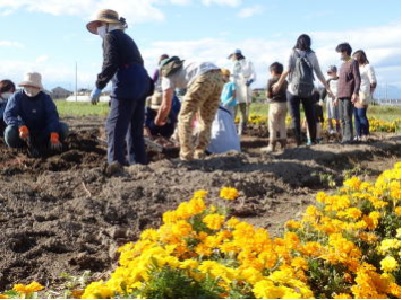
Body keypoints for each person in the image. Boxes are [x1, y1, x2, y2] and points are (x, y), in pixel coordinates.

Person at [86, 9, 150, 167]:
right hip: (142, 81)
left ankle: (116, 163)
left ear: (107, 24)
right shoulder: (128, 39)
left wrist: (99, 85)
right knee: (134, 127)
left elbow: (110, 63)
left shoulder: (110, 37)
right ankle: (139, 163)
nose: (99, 29)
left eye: (99, 25)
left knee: (115, 126)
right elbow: (139, 62)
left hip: (126, 82)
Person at [155, 58, 224, 161]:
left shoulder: (166, 75)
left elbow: (166, 105)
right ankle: (200, 152)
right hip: (218, 75)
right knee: (206, 119)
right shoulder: (184, 65)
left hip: (203, 76)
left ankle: (186, 155)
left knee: (185, 116)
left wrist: (159, 119)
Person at [273, 34, 329, 146]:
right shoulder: (312, 55)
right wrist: (327, 87)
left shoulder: (292, 52)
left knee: (295, 117)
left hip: (293, 89)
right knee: (311, 116)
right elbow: (318, 72)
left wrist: (279, 83)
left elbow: (287, 70)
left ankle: (297, 141)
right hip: (309, 90)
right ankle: (312, 140)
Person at [3, 72, 68, 157]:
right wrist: (20, 125)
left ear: (39, 88)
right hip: (23, 134)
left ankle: (50, 145)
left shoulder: (46, 99)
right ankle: (19, 149)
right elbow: (8, 115)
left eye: (33, 87)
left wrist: (54, 134)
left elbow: (52, 116)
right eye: (28, 86)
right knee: (9, 131)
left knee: (63, 128)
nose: (31, 89)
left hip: (42, 131)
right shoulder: (16, 98)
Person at [207, 69, 240, 154]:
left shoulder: (232, 84)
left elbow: (234, 95)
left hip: (229, 106)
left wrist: (227, 102)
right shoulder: (222, 85)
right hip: (221, 106)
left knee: (228, 122)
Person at [335, 42, 361, 144]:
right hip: (341, 94)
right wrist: (336, 97)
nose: (339, 55)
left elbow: (357, 79)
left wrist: (355, 92)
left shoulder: (353, 62)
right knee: (341, 117)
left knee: (347, 116)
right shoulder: (342, 65)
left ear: (345, 52)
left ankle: (349, 138)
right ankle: (344, 137)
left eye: (340, 52)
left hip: (348, 94)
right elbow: (340, 82)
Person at [228, 49, 256, 134]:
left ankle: (242, 129)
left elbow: (253, 73)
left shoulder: (248, 63)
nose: (232, 57)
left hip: (244, 87)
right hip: (234, 88)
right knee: (233, 110)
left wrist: (250, 80)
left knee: (244, 110)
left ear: (237, 55)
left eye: (233, 55)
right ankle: (231, 129)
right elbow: (229, 76)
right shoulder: (231, 64)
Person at [352, 50, 376, 142]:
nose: (353, 59)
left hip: (363, 94)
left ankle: (365, 135)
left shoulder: (368, 67)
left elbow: (373, 82)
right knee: (355, 115)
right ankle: (358, 135)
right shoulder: (355, 67)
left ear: (360, 57)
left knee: (361, 114)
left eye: (355, 57)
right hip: (355, 93)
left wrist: (369, 93)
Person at [265, 62, 288, 152]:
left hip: (274, 104)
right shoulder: (285, 81)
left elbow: (268, 95)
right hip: (284, 104)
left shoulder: (270, 81)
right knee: (282, 125)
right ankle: (283, 146)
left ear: (273, 71)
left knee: (273, 126)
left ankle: (272, 146)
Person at [325, 65, 341, 135]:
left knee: (337, 115)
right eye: (327, 72)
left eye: (329, 72)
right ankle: (330, 130)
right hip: (329, 99)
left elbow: (340, 90)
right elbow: (325, 90)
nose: (328, 74)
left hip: (337, 99)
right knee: (329, 115)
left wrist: (336, 98)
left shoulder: (339, 80)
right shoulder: (328, 80)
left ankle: (338, 131)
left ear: (334, 72)